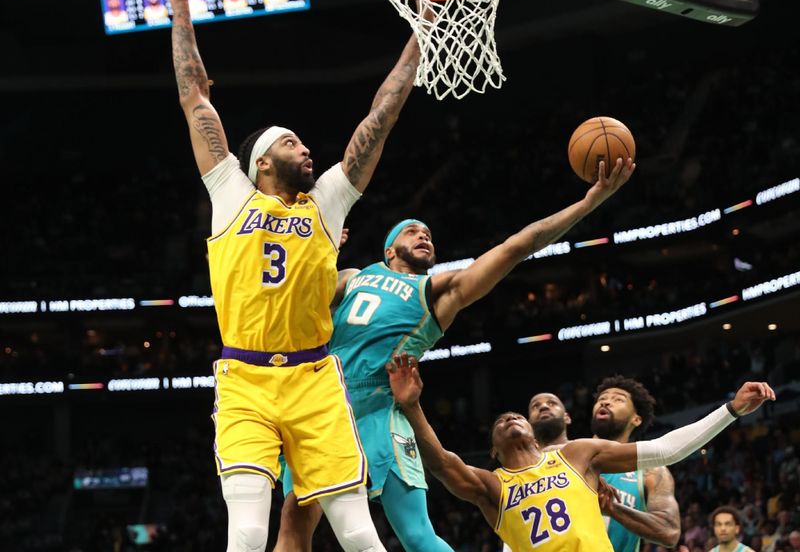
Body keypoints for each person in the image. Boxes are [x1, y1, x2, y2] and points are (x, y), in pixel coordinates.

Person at [169, 0, 424, 549]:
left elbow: (377, 120)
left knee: (360, 534)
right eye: (292, 142)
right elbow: (194, 98)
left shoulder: (327, 202)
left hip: (314, 378)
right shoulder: (230, 192)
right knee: (249, 533)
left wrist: (421, 33)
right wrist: (180, 7)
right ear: (261, 161)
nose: (307, 149)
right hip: (246, 380)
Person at [276, 156, 635, 551]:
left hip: (381, 410)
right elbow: (296, 305)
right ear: (389, 249)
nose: (424, 236)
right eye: (412, 232)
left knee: (415, 535)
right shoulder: (353, 277)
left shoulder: (440, 293)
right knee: (294, 519)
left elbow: (518, 246)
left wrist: (589, 201)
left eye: (428, 234)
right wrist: (318, 249)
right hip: (323, 405)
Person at [388, 352, 774, 552]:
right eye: (501, 419)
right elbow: (439, 461)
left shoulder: (576, 454)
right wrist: (411, 406)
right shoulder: (492, 485)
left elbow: (665, 449)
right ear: (492, 448)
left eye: (515, 415)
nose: (510, 418)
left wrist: (732, 410)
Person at [526, 379, 681, 551]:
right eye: (602, 398)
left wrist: (611, 508)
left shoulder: (650, 471)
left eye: (618, 399)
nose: (606, 401)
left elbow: (669, 532)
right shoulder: (564, 456)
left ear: (636, 419)